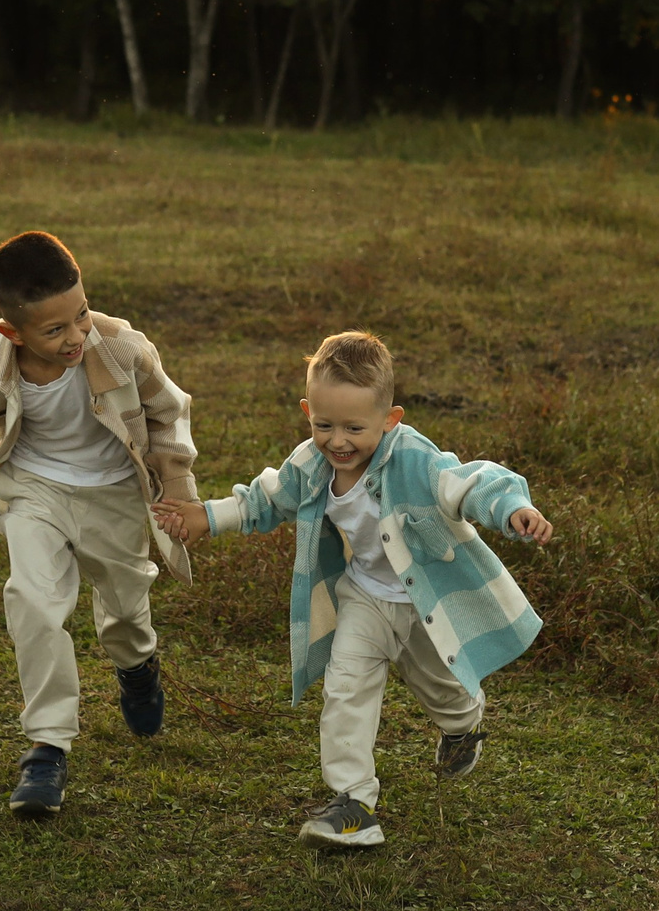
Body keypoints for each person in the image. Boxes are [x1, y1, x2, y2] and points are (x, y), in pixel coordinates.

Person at [154, 332, 555, 850]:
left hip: (428, 604)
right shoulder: (313, 463)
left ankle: (464, 723)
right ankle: (353, 803)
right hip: (364, 597)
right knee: (345, 687)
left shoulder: (415, 459)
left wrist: (511, 508)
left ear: (390, 420)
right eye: (323, 425)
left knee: (443, 691)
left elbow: (470, 483)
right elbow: (269, 497)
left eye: (354, 428)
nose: (337, 441)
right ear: (307, 411)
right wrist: (208, 516)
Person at [0, 231, 201, 817]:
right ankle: (47, 749)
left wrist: (178, 494)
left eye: (80, 315)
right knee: (34, 599)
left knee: (125, 609)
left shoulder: (121, 346)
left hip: (115, 495)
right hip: (34, 493)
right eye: (55, 330)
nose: (76, 336)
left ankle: (137, 665)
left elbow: (169, 415)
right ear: (12, 331)